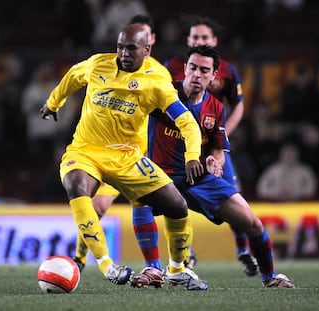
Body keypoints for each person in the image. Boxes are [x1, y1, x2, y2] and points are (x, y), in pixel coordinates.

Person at [40, 23, 208, 290]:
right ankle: (107, 265)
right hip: (86, 151)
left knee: (177, 206)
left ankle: (176, 269)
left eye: (131, 48)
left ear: (147, 49)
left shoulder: (157, 81)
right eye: (120, 47)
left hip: (128, 158)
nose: (124, 53)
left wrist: (192, 156)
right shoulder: (98, 65)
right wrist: (53, 103)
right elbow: (73, 75)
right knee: (76, 185)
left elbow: (187, 122)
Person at [130, 45, 295, 289]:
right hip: (162, 178)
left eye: (204, 70)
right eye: (193, 68)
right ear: (184, 69)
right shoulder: (163, 94)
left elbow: (218, 151)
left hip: (198, 179)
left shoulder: (216, 108)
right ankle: (153, 269)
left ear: (213, 75)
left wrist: (213, 161)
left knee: (253, 223)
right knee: (139, 195)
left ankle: (270, 277)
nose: (197, 74)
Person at [72, 14, 180, 272]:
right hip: (101, 152)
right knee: (96, 206)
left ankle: (159, 264)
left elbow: (165, 115)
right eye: (123, 44)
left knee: (156, 203)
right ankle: (79, 257)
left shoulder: (159, 74)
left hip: (134, 153)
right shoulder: (109, 66)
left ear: (149, 42)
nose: (125, 51)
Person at [164, 15, 257, 276]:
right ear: (188, 40)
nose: (199, 41)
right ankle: (186, 255)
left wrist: (224, 134)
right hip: (176, 147)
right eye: (195, 37)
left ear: (214, 41)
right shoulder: (169, 67)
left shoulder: (227, 70)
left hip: (212, 146)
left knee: (231, 194)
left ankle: (243, 251)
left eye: (204, 37)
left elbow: (238, 104)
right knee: (175, 201)